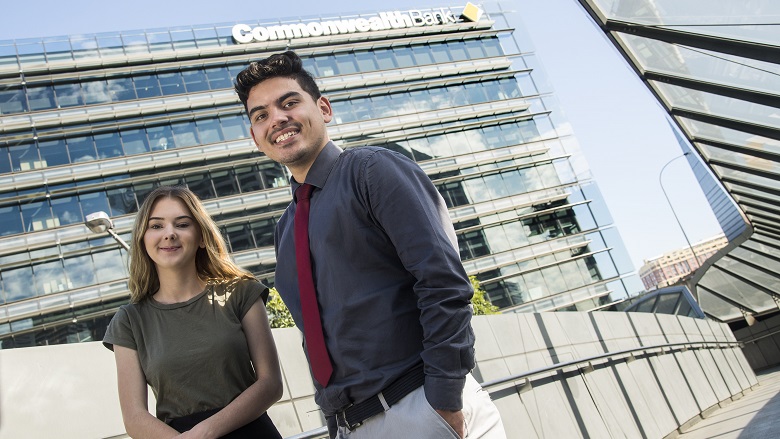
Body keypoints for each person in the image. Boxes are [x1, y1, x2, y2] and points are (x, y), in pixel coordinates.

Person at [234, 51, 506, 438]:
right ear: (256, 137)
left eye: (289, 102)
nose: (276, 118)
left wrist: (444, 401)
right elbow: (317, 336)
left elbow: (443, 282)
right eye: (260, 115)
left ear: (323, 109)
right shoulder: (286, 228)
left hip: (421, 408)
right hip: (352, 426)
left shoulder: (373, 170)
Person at [102, 186, 284, 438]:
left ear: (200, 237)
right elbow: (134, 418)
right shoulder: (129, 321)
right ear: (143, 240)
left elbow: (271, 384)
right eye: (156, 226)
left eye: (182, 224)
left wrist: (204, 433)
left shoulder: (241, 292)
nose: (169, 234)